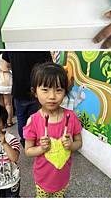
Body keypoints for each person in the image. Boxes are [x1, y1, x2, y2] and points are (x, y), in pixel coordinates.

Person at [24, 62, 83, 198]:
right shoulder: (33, 121)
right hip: (42, 179)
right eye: (45, 89)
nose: (52, 96)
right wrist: (41, 148)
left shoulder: (71, 117)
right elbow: (28, 151)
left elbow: (79, 142)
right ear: (35, 91)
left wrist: (71, 145)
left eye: (58, 90)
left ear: (65, 91)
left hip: (63, 178)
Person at [1, 52, 52, 146]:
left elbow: (6, 64)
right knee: (37, 118)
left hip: (19, 90)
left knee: (21, 118)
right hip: (37, 90)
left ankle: (25, 141)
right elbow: (49, 67)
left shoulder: (11, 47)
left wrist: (16, 67)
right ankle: (37, 141)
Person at [0, 105, 21, 198]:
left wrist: (4, 143)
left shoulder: (11, 139)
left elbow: (14, 158)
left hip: (11, 181)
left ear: (3, 123)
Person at [0, 54, 14, 127]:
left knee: (0, 104)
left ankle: (2, 122)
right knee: (8, 104)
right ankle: (9, 121)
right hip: (7, 81)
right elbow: (9, 67)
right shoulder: (4, 56)